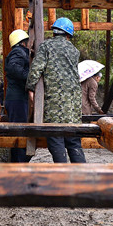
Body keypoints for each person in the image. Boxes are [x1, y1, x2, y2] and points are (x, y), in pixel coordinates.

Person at [26, 17, 85, 163]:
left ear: (54, 32)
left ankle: (62, 174)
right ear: (68, 35)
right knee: (73, 140)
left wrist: (30, 87)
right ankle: (84, 175)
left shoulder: (46, 46)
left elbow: (36, 69)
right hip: (74, 102)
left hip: (55, 101)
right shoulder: (74, 50)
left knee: (56, 136)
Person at [4, 28, 32, 163]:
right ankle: (19, 165)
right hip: (17, 100)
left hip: (17, 98)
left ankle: (18, 163)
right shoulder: (18, 52)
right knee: (20, 132)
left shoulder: (19, 52)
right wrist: (31, 77)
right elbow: (14, 68)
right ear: (23, 42)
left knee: (20, 131)